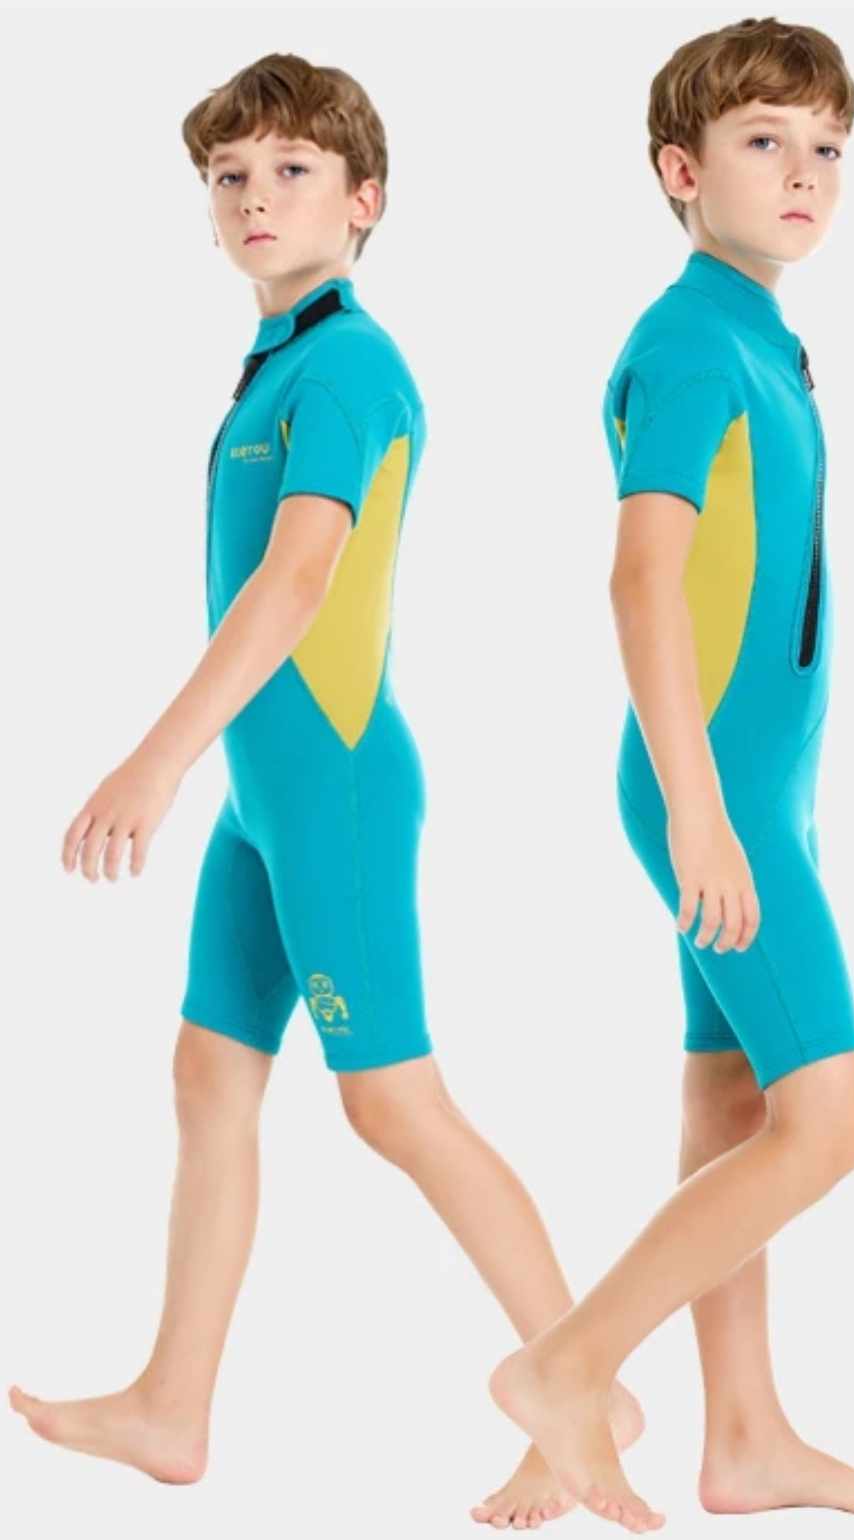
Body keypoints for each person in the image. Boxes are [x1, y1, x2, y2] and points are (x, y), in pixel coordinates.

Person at [8, 53, 644, 1524]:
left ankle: (586, 1390)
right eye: (229, 175)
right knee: (208, 1075)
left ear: (365, 201)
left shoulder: (351, 365)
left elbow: (298, 580)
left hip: (333, 789)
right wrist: (215, 776)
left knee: (396, 1104)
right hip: (268, 796)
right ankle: (172, 1407)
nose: (254, 196)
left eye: (291, 170)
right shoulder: (281, 363)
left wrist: (154, 760)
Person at [486, 17, 854, 1532]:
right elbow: (642, 576)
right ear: (681, 171)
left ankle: (743, 1438)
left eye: (828, 148)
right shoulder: (690, 342)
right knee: (833, 1123)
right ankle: (566, 1369)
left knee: (736, 1096)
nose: (805, 172)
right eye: (763, 142)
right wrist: (697, 810)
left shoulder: (758, 337)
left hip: (756, 788)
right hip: (715, 790)